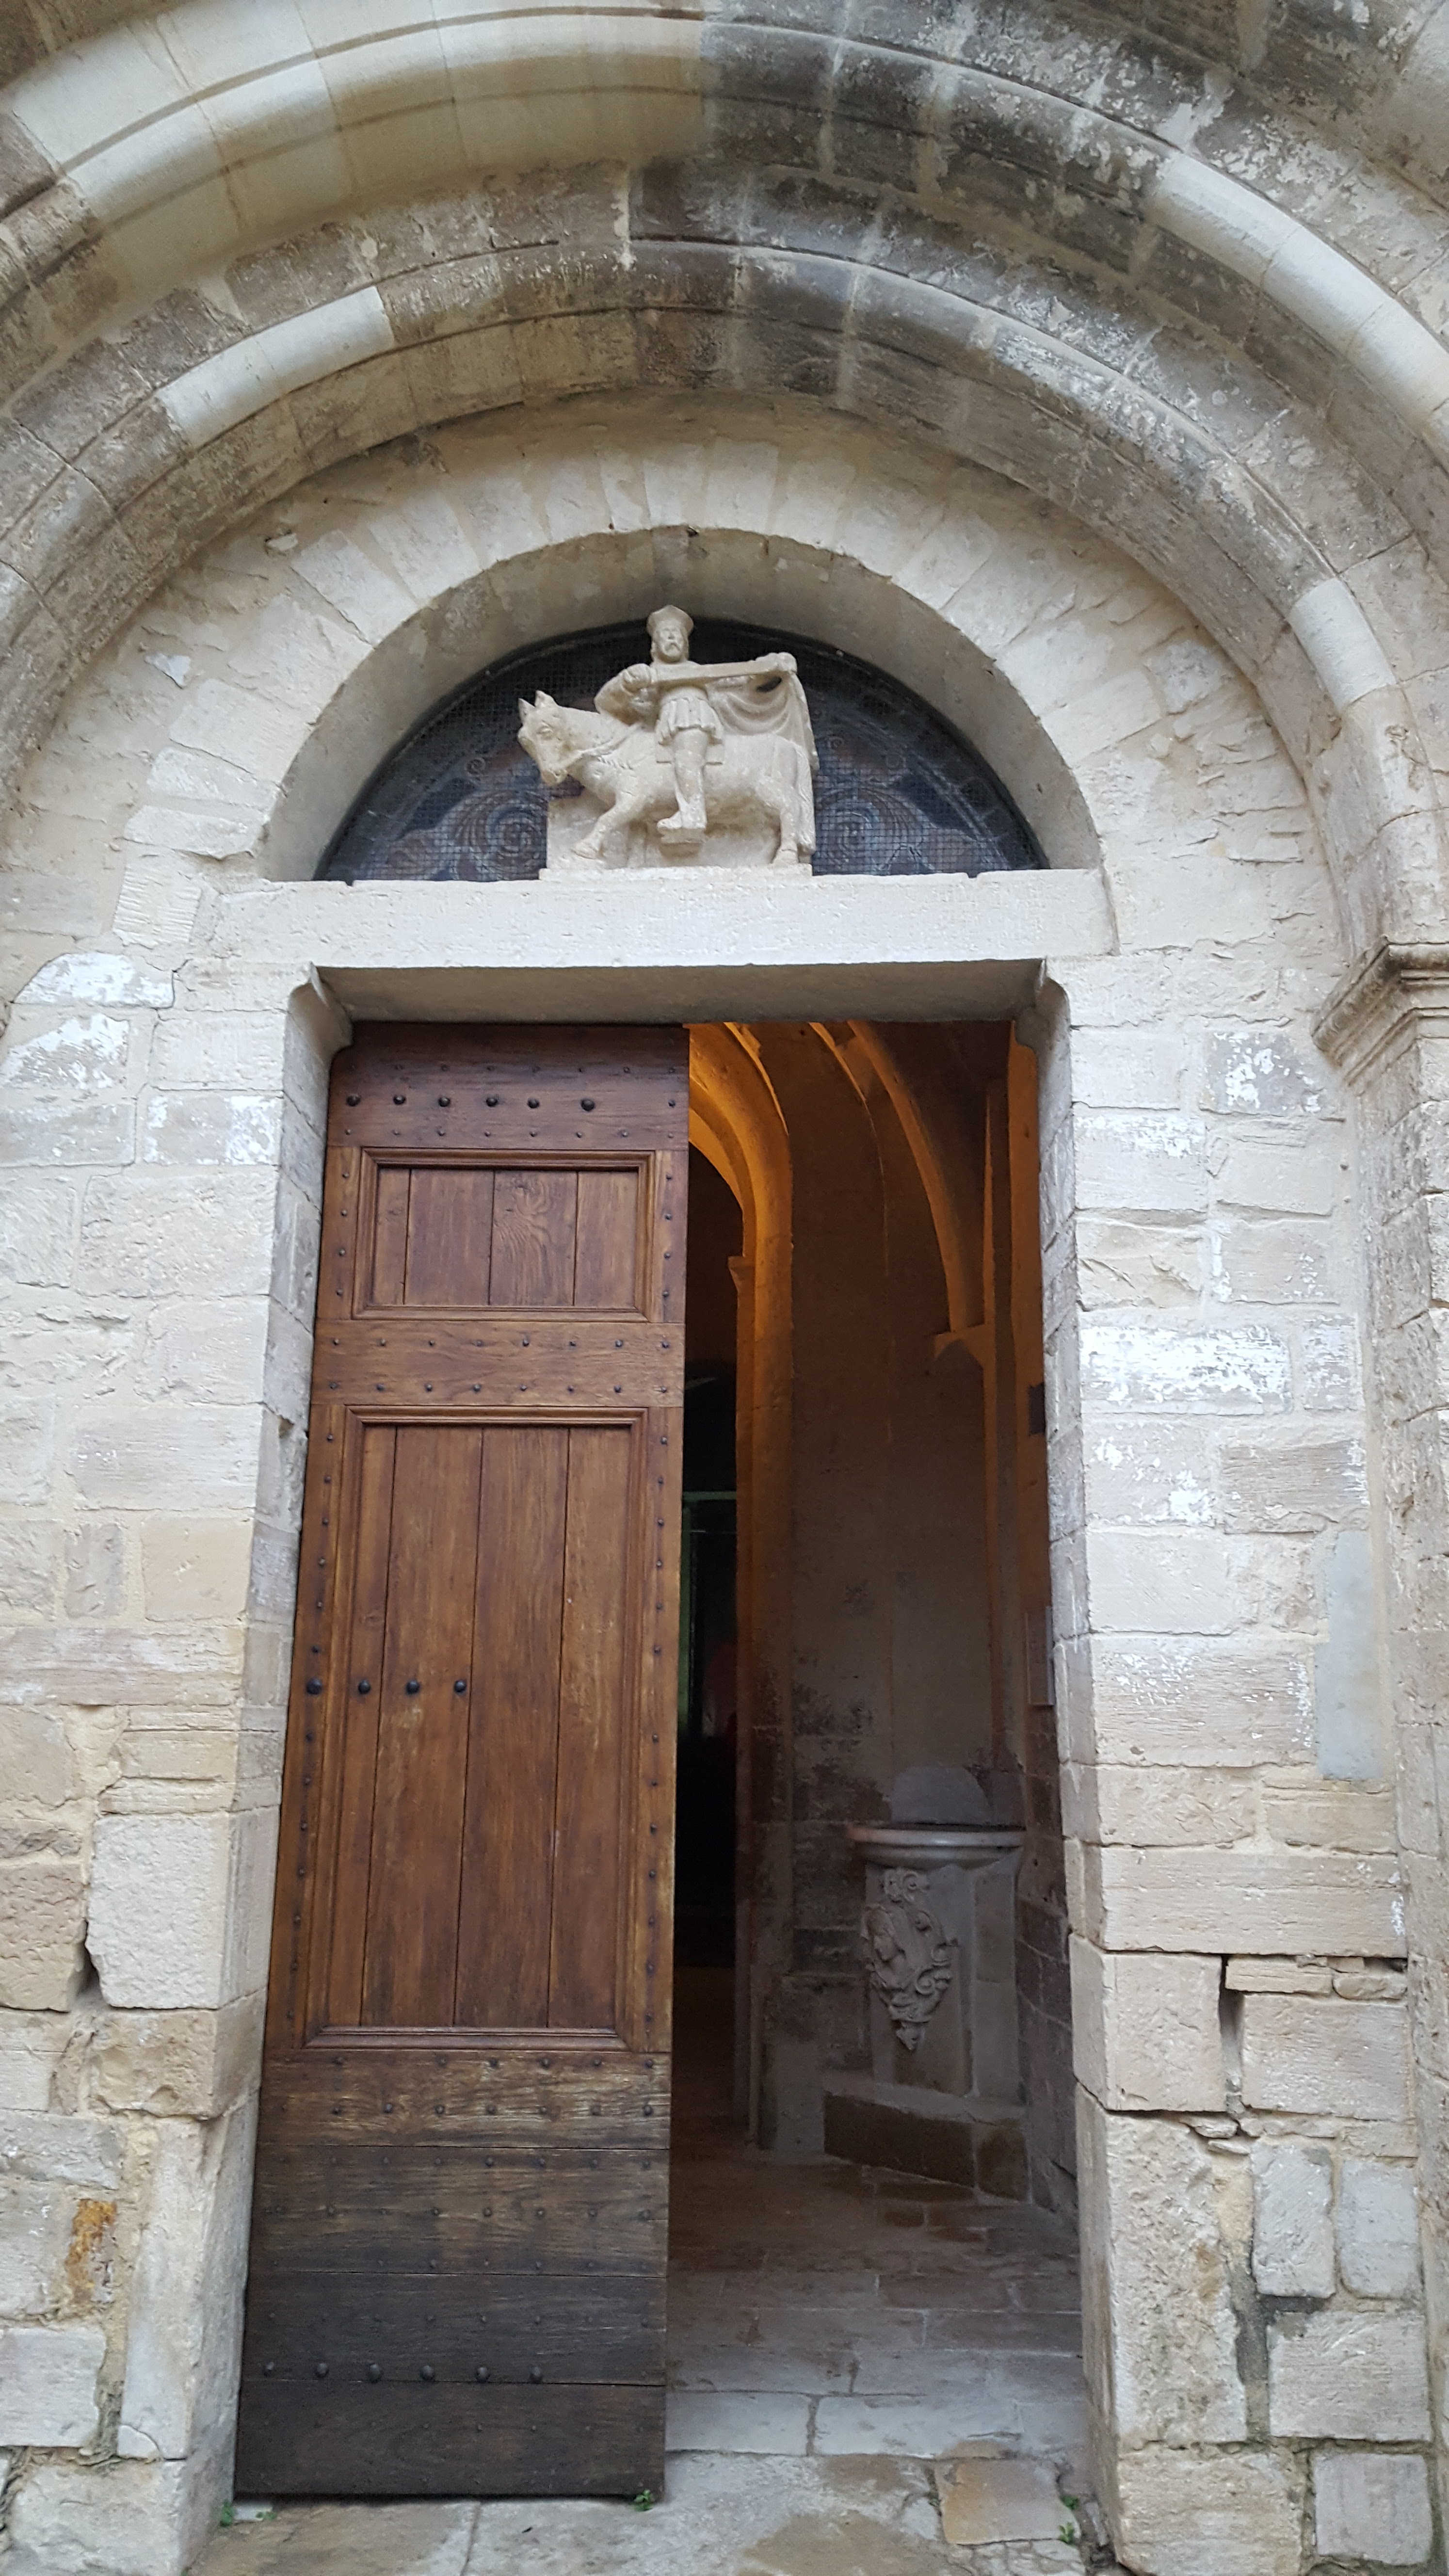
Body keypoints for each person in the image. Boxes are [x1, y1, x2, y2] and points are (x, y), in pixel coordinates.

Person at [595, 605, 806, 850]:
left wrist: (770, 666)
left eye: (677, 635)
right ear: (654, 645)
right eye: (665, 634)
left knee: (687, 758)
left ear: (685, 645)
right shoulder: (645, 676)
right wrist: (626, 684)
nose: (672, 638)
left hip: (691, 718)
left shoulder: (700, 673)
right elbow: (606, 704)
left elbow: (740, 676)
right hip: (661, 729)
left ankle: (692, 815)